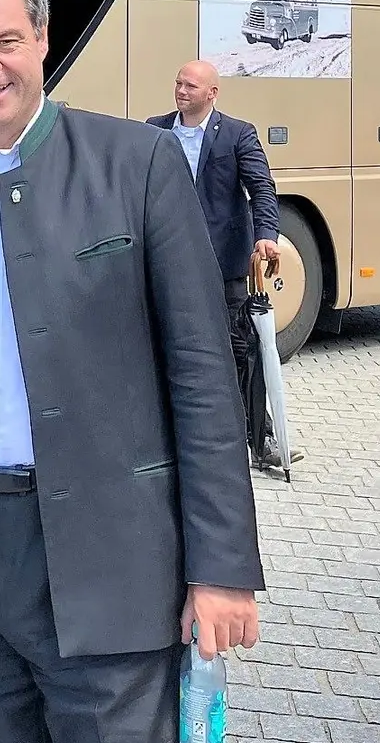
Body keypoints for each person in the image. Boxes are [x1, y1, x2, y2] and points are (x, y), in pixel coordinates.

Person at [0, 0, 264, 743]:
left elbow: (202, 375)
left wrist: (221, 567)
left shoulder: (138, 165)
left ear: (43, 39)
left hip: (108, 554)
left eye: (6, 41)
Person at [147, 60, 292, 466]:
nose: (181, 90)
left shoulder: (236, 134)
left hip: (223, 264)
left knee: (238, 351)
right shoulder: (155, 130)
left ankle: (259, 439)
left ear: (212, 93)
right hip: (169, 262)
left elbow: (261, 188)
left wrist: (267, 234)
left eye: (190, 86)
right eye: (178, 83)